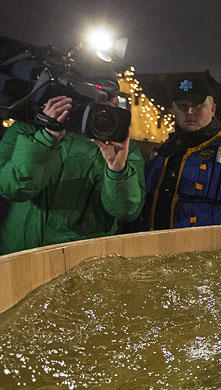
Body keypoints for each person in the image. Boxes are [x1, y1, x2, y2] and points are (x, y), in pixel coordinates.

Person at [0, 61, 145, 254]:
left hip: (81, 260)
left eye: (110, 103)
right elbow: (13, 189)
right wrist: (48, 136)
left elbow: (127, 211)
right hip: (21, 254)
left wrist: (117, 170)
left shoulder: (121, 147)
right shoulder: (27, 128)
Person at [142, 77, 221, 230]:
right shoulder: (164, 151)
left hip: (214, 244)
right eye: (182, 106)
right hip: (158, 243)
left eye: (197, 105)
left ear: (213, 109)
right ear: (173, 108)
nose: (189, 111)